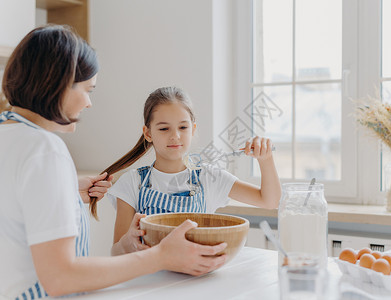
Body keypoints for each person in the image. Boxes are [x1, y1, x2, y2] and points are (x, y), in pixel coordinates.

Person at [0, 25, 226, 300]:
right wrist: (161, 257)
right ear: (59, 84)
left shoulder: (8, 134)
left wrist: (66, 190)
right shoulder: (46, 149)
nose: (89, 103)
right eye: (88, 90)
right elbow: (60, 277)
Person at [100, 86, 282, 255]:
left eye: (183, 127)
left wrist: (265, 159)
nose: (175, 136)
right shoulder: (132, 182)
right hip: (150, 282)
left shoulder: (209, 177)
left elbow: (270, 201)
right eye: (164, 128)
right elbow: (116, 252)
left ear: (193, 129)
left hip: (198, 280)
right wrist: (128, 244)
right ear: (148, 133)